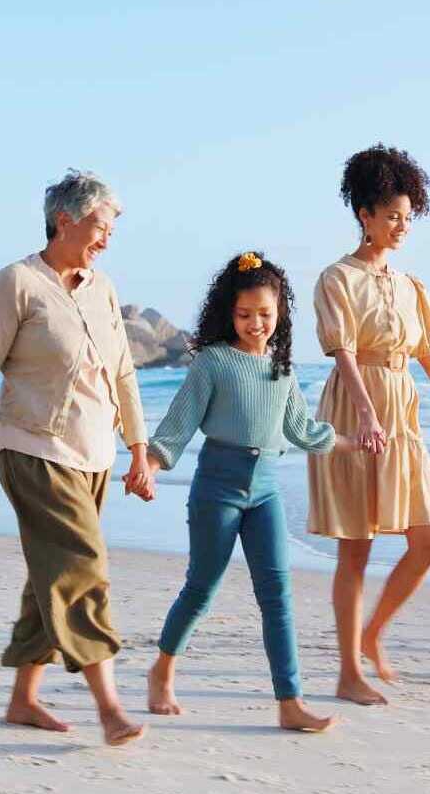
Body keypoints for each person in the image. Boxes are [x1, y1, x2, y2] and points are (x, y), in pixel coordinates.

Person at [0, 169, 155, 748]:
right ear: (65, 221)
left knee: (51, 570)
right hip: (33, 448)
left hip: (95, 457)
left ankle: (23, 699)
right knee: (82, 568)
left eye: (110, 229)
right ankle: (109, 707)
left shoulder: (101, 287)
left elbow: (123, 373)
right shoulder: (16, 283)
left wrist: (138, 451)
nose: (107, 238)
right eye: (100, 226)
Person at [142, 252, 347, 733]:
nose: (256, 324)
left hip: (266, 491)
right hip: (217, 487)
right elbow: (179, 423)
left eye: (265, 314)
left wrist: (349, 442)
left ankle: (290, 702)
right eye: (245, 314)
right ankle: (162, 671)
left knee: (277, 595)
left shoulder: (282, 369)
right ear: (228, 313)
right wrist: (149, 466)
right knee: (201, 588)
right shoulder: (213, 362)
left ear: (280, 313)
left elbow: (300, 429)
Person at [307, 144, 430, 706]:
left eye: (407, 217)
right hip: (356, 409)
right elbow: (344, 352)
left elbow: (428, 357)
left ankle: (372, 634)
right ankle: (348, 672)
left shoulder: (411, 286)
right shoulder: (337, 278)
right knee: (356, 548)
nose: (402, 227)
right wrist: (367, 415)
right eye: (392, 217)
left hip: (403, 411)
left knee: (429, 540)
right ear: (365, 215)